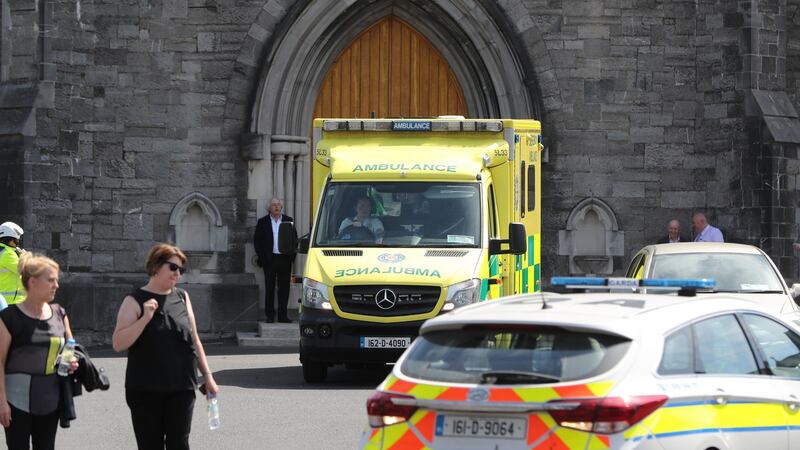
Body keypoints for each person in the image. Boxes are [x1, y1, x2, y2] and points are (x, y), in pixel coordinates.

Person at [112, 243, 218, 450]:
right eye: (173, 267)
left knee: (179, 444)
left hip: (182, 387)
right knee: (150, 445)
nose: (177, 273)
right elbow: (118, 343)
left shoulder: (182, 296)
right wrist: (144, 319)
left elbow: (194, 339)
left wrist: (208, 376)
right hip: (145, 390)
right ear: (156, 266)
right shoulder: (134, 300)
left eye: (181, 269)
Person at [0, 252, 78, 450]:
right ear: (32, 282)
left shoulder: (60, 313)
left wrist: (70, 361)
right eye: (50, 280)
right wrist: (2, 402)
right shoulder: (9, 317)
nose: (56, 285)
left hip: (49, 399)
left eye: (57, 280)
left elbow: (70, 345)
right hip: (16, 401)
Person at [253, 198, 297, 323]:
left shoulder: (288, 221)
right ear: (269, 208)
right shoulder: (263, 222)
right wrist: (262, 258)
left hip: (284, 258)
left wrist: (291, 257)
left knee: (284, 288)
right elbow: (257, 241)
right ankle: (270, 315)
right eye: (274, 205)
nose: (277, 207)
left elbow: (294, 240)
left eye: (278, 205)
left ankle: (283, 316)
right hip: (270, 259)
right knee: (269, 287)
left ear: (281, 207)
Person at [0, 222, 26, 305]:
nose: (17, 243)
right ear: (10, 240)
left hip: (5, 301)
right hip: (11, 301)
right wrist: (25, 256)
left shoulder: (2, 250)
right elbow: (25, 270)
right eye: (16, 240)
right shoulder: (8, 253)